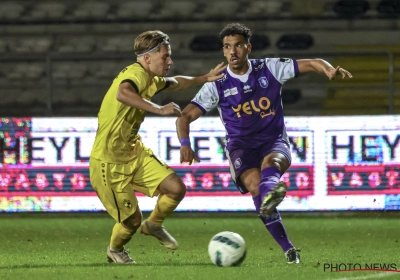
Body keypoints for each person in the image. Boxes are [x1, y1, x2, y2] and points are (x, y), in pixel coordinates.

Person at [175, 23, 352, 264]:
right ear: (223, 52)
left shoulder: (269, 68)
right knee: (254, 184)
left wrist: (328, 70)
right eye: (227, 47)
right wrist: (185, 143)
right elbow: (184, 116)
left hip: (273, 140)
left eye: (238, 46)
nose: (233, 52)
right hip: (240, 146)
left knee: (273, 162)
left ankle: (271, 193)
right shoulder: (216, 83)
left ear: (248, 47)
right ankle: (288, 247)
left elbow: (312, 62)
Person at [89, 30, 226, 264]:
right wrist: (159, 109)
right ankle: (115, 249)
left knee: (175, 188)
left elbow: (177, 83)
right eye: (165, 57)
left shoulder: (150, 78)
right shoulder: (136, 74)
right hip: (108, 162)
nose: (170, 61)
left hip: (133, 152)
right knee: (131, 222)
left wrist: (204, 78)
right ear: (147, 57)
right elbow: (123, 93)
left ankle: (153, 225)